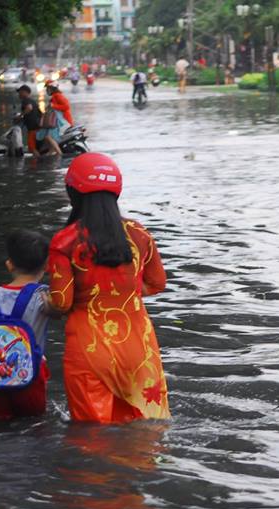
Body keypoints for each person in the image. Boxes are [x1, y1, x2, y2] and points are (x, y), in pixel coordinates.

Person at [48, 153, 170, 423]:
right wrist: (125, 292)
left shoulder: (65, 241)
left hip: (89, 349)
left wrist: (43, 303)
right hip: (140, 349)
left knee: (92, 438)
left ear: (72, 193)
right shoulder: (139, 233)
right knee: (147, 430)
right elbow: (157, 283)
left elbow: (61, 302)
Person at [0, 231, 56, 420]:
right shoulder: (43, 296)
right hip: (30, 375)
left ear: (9, 264)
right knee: (34, 423)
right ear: (46, 265)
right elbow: (63, 308)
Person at [16, 85, 42, 158]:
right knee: (35, 147)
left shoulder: (26, 100)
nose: (19, 94)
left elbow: (29, 108)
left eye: (20, 92)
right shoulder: (32, 100)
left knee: (31, 147)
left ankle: (38, 163)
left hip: (33, 128)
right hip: (38, 126)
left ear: (25, 92)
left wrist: (20, 116)